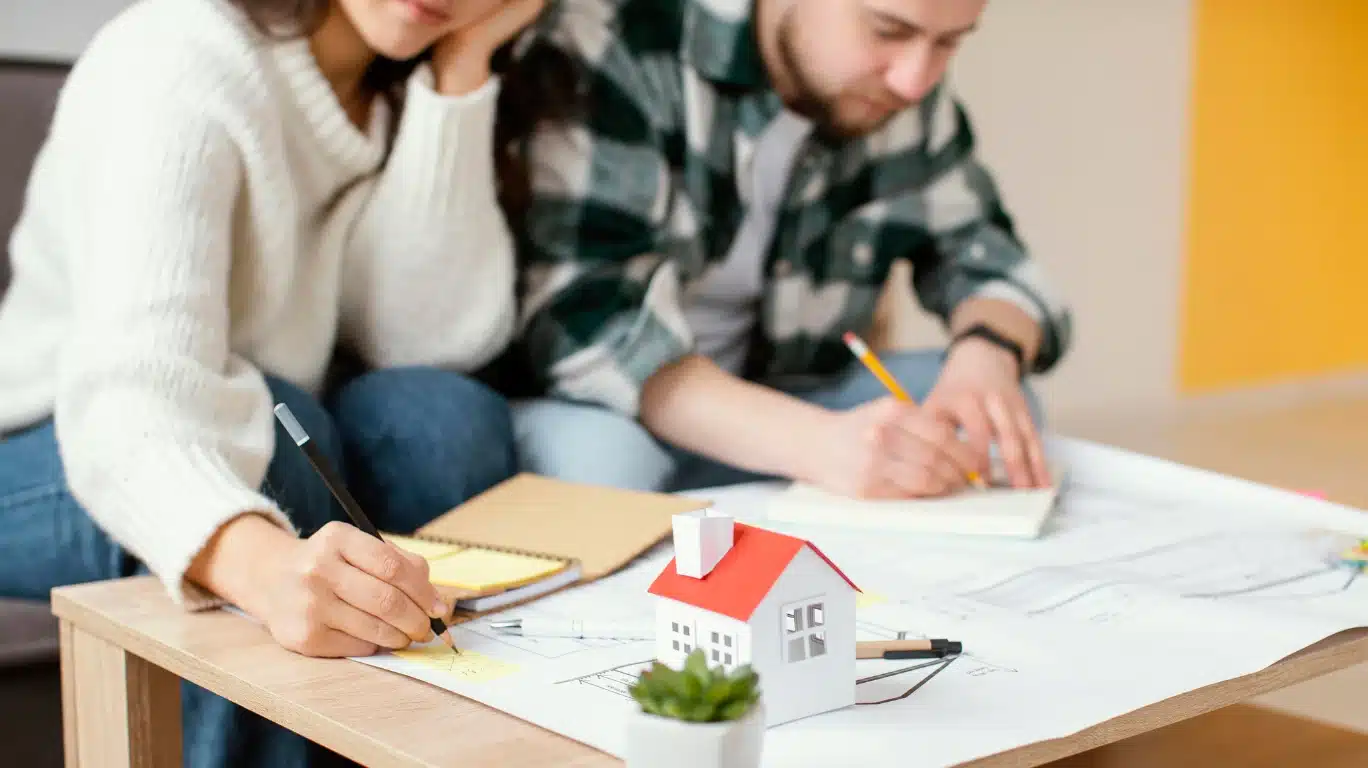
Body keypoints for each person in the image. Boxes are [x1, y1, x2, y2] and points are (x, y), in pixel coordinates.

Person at [0, 0, 560, 765]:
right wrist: (265, 570)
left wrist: (459, 69)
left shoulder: (388, 95)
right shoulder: (177, 51)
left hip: (235, 416)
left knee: (439, 418)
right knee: (278, 428)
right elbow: (130, 397)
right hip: (46, 443)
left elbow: (424, 339)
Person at [504, 0, 1074, 499]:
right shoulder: (619, 37)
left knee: (996, 411)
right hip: (616, 410)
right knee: (603, 468)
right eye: (887, 30)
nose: (913, 81)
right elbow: (589, 326)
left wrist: (986, 354)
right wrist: (815, 446)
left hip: (791, 393)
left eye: (949, 42)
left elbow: (985, 253)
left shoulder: (902, 90)